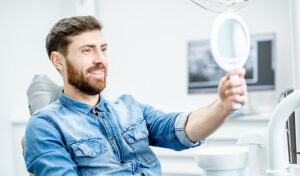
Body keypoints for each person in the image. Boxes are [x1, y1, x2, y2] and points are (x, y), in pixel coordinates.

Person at [24, 16, 247, 176]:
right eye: (87, 50)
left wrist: (223, 106)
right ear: (58, 61)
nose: (100, 59)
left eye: (103, 48)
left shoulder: (129, 107)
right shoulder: (45, 125)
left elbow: (181, 130)